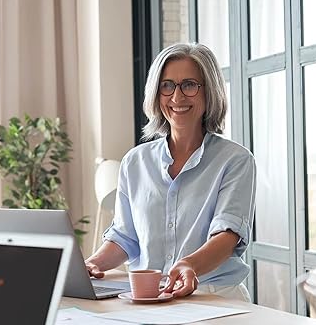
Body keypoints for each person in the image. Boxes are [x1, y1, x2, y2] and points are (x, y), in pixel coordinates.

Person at [85, 42, 256, 301]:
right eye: (167, 86)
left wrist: (190, 265)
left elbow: (227, 236)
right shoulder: (135, 162)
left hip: (214, 296)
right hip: (149, 297)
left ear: (209, 92)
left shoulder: (235, 160)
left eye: (189, 85)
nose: (177, 97)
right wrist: (93, 263)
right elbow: (125, 236)